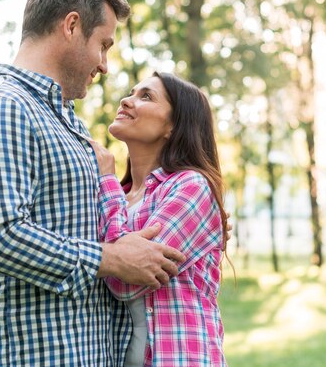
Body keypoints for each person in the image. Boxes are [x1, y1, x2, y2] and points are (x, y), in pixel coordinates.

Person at [0, 0, 186, 366]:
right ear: (72, 26)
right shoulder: (4, 109)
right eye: (104, 44)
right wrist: (111, 259)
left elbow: (81, 220)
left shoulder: (64, 120)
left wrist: (197, 210)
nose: (105, 64)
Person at [91, 72, 230, 366]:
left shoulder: (192, 187)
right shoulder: (119, 195)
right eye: (131, 92)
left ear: (172, 126)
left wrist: (106, 179)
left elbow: (125, 282)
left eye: (146, 96)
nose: (126, 101)